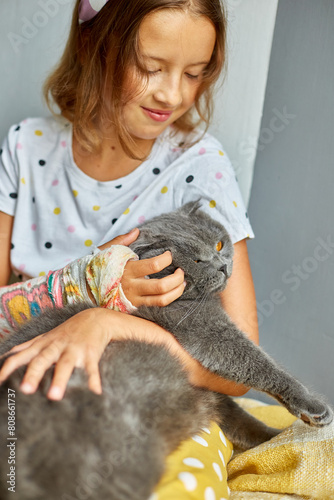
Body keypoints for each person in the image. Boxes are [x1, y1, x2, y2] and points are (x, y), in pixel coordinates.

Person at [0, 0, 258, 497]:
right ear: (96, 47)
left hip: (153, 396)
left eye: (195, 73)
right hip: (33, 384)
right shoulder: (24, 149)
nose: (172, 93)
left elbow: (239, 369)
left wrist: (108, 321)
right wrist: (85, 287)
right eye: (150, 68)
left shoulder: (201, 165)